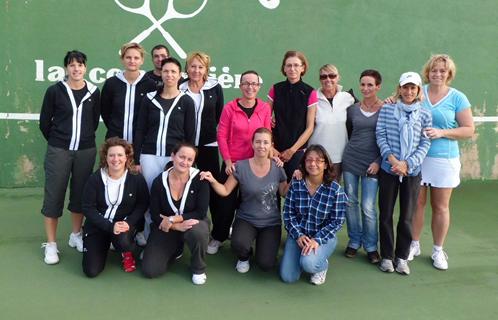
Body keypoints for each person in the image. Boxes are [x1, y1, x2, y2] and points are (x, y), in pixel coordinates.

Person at [408, 54, 474, 270]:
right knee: (416, 203)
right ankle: (413, 244)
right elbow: (401, 101)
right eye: (434, 70)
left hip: (444, 159)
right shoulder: (419, 92)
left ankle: (438, 250)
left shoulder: (458, 98)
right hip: (418, 157)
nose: (438, 74)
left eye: (442, 71)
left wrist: (442, 132)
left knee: (440, 207)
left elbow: (468, 129)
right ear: (428, 72)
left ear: (449, 74)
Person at [39, 50, 100, 265]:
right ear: (66, 68)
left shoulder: (94, 91)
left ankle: (76, 235)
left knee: (81, 194)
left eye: (80, 65)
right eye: (72, 65)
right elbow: (45, 123)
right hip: (59, 151)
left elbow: (93, 123)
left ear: (85, 68)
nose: (76, 69)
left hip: (85, 151)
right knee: (54, 195)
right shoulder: (54, 91)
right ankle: (52, 244)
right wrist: (60, 141)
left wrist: (80, 141)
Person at [200, 128, 288, 273]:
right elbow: (225, 190)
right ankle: (244, 257)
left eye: (266, 142)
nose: (262, 146)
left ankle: (263, 245)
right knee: (239, 244)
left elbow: (284, 192)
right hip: (246, 219)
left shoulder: (277, 167)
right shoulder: (240, 166)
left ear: (271, 145)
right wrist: (212, 180)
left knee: (266, 264)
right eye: (258, 142)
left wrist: (299, 176)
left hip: (270, 222)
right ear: (252, 144)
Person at [206, 70, 272, 254]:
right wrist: (227, 161)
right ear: (240, 85)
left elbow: (266, 135)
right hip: (232, 165)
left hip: (254, 165)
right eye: (246, 83)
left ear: (258, 87)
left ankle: (244, 237)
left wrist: (266, 160)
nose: (250, 87)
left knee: (248, 203)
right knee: (224, 204)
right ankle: (218, 236)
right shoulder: (230, 107)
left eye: (254, 84)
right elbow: (221, 135)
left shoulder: (265, 108)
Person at [375, 72, 432, 275]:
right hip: (388, 169)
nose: (408, 91)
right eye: (405, 87)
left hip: (412, 172)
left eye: (412, 88)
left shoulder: (425, 114)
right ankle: (387, 257)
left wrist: (408, 164)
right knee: (386, 214)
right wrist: (392, 160)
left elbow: (425, 142)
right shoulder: (387, 109)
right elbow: (380, 135)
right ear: (399, 88)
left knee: (407, 216)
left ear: (417, 91)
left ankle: (401, 257)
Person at [134, 57, 196, 239]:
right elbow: (140, 130)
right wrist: (137, 159)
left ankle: (168, 237)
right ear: (160, 73)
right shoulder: (149, 99)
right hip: (149, 155)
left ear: (180, 75)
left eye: (173, 72)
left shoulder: (186, 101)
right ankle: (147, 234)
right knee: (148, 197)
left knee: (168, 198)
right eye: (166, 71)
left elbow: (190, 136)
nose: (169, 75)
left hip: (174, 159)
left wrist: (187, 161)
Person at [141, 143, 210, 285]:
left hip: (192, 223)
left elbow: (201, 212)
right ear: (173, 156)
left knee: (199, 230)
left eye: (189, 159)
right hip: (168, 229)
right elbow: (155, 214)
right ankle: (175, 248)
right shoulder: (159, 181)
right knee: (150, 270)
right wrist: (176, 227)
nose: (185, 162)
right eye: (181, 157)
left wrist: (174, 219)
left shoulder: (200, 179)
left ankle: (198, 268)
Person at [81, 137, 149, 277]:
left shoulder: (136, 178)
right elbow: (88, 208)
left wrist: (128, 223)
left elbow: (142, 204)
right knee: (91, 271)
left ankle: (127, 251)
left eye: (120, 155)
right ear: (105, 157)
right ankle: (104, 244)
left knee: (123, 240)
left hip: (124, 226)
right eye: (111, 155)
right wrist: (109, 227)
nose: (115, 159)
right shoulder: (95, 178)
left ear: (127, 157)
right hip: (99, 226)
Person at [280, 145, 347, 285]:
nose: (313, 164)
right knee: (288, 277)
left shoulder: (335, 190)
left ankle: (321, 266)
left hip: (322, 237)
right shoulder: (297, 184)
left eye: (318, 160)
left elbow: (337, 221)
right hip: (300, 236)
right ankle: (303, 256)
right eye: (309, 160)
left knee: (309, 264)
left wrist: (317, 240)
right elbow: (288, 213)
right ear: (304, 163)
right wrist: (298, 235)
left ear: (326, 164)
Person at [178, 51, 224, 251]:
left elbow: (220, 117)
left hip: (208, 146)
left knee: (212, 188)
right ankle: (179, 230)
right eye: (192, 66)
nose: (196, 70)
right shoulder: (179, 88)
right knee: (182, 187)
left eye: (200, 67)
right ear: (187, 68)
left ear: (206, 69)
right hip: (185, 148)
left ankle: (217, 234)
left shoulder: (215, 87)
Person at [342, 69, 384, 264]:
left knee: (368, 206)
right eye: (363, 84)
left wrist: (378, 161)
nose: (365, 88)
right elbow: (350, 132)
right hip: (351, 160)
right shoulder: (352, 109)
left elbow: (388, 139)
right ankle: (354, 240)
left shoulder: (386, 109)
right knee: (350, 202)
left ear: (378, 87)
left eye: (370, 85)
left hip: (372, 164)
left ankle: (371, 246)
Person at [268, 50, 318, 181]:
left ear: (303, 68)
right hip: (274, 152)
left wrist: (292, 150)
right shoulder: (275, 89)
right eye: (289, 65)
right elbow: (264, 120)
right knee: (272, 193)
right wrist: (271, 148)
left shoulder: (310, 92)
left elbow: (310, 127)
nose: (292, 69)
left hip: (297, 152)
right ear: (284, 68)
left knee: (296, 191)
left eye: (296, 65)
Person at [101, 42, 156, 144]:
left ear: (142, 60)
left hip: (141, 143)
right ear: (122, 59)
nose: (132, 61)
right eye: (128, 57)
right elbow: (105, 111)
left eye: (136, 58)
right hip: (115, 141)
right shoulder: (111, 83)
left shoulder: (150, 85)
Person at [308, 64, 355, 181]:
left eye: (332, 76)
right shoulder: (312, 97)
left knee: (332, 195)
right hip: (315, 158)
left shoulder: (348, 98)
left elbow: (366, 108)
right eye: (324, 77)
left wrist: (390, 101)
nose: (328, 79)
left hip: (338, 157)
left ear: (338, 77)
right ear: (320, 80)